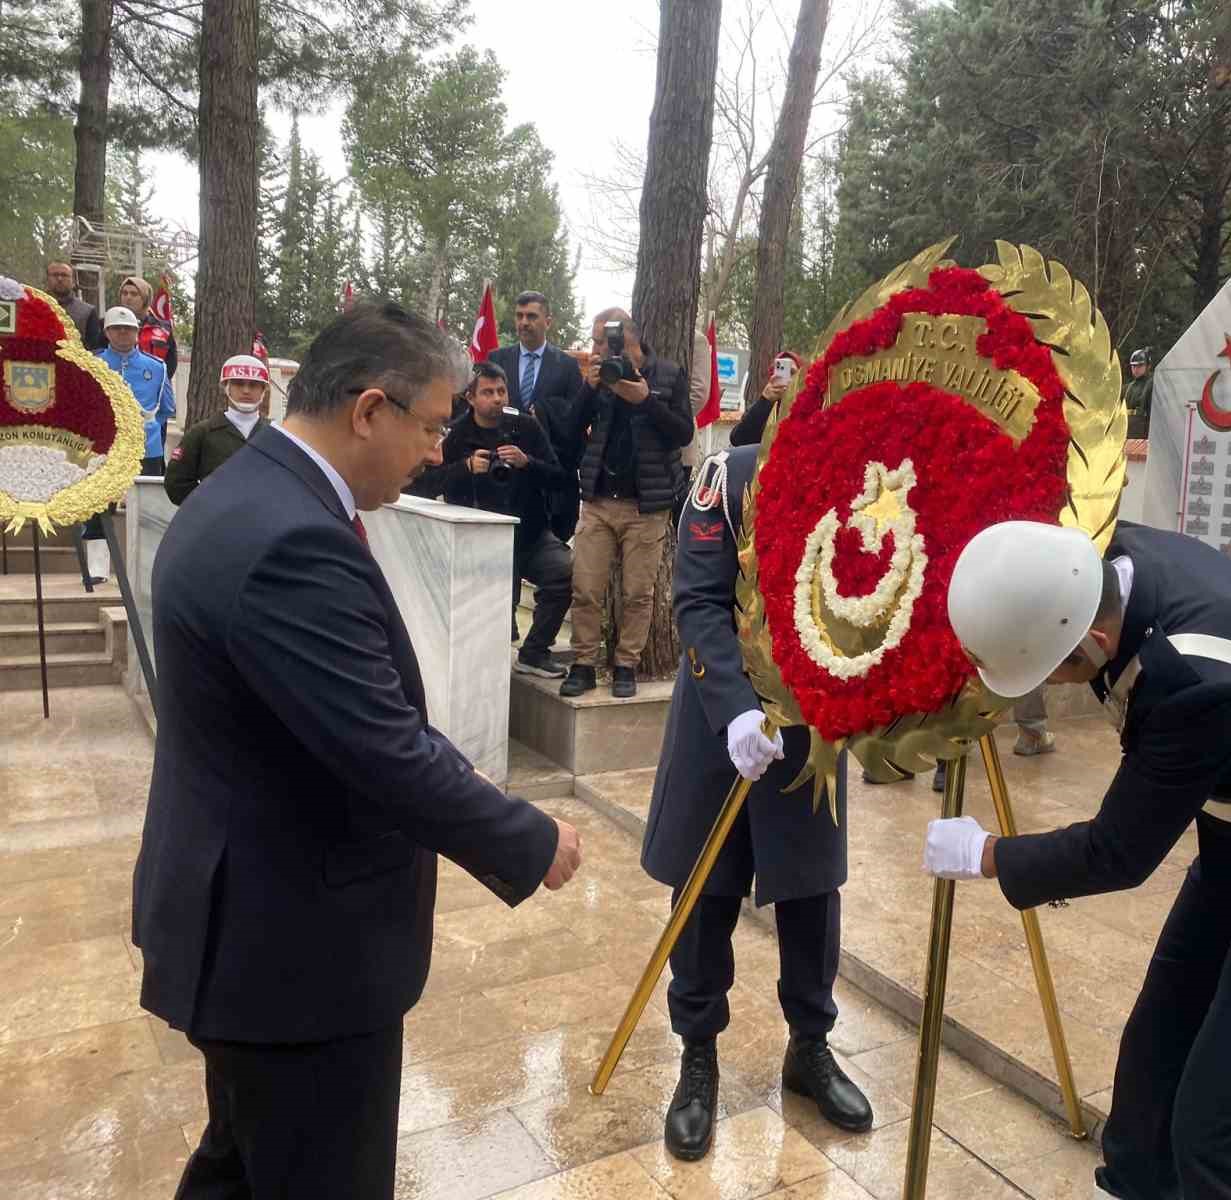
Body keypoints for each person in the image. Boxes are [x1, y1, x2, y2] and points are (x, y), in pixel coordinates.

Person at [131, 301, 584, 1199]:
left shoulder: (253, 492)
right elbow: (381, 747)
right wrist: (528, 838)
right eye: (427, 426)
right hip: (296, 954)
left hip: (251, 926)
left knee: (240, 1163)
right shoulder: (291, 538)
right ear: (369, 410)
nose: (433, 450)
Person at [925, 520, 1231, 1200]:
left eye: (1059, 672)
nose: (1064, 687)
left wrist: (985, 854)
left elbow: (1118, 851)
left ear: (1094, 641)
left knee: (1217, 1133)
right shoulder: (1105, 560)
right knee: (1145, 1089)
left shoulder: (1197, 682)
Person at [641, 445, 873, 1162]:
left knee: (811, 892)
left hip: (809, 723)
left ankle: (810, 1048)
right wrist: (737, 709)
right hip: (724, 721)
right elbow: (699, 599)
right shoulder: (728, 476)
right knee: (704, 896)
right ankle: (698, 1054)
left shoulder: (865, 478)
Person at [561, 308, 694, 699]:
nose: (595, 348)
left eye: (601, 341)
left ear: (626, 339)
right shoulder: (598, 375)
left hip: (645, 506)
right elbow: (570, 427)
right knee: (585, 588)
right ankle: (583, 664)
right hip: (599, 500)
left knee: (639, 593)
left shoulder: (667, 374)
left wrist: (645, 399)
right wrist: (589, 387)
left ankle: (626, 665)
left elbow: (683, 433)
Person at [413, 361, 573, 678]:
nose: (498, 398)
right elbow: (423, 485)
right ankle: (485, 679)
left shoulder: (526, 427)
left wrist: (528, 463)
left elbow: (560, 478)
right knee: (497, 623)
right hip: (479, 541)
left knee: (566, 573)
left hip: (529, 534)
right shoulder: (456, 434)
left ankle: (535, 652)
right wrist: (465, 468)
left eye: (502, 391)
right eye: (488, 392)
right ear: (470, 398)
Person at [488, 291, 585, 541]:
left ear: (548, 321)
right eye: (519, 316)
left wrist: (546, 410)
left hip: (547, 482)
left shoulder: (566, 366)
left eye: (531, 316)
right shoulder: (497, 359)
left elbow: (576, 420)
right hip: (502, 480)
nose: (523, 323)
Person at [164, 354, 272, 505]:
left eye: (254, 384)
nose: (246, 391)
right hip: (217, 525)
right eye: (239, 384)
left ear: (263, 390)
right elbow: (176, 483)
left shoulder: (276, 434)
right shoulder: (202, 433)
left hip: (266, 523)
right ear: (226, 387)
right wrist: (207, 506)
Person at [100, 306, 176, 477]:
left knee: (145, 502)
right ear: (107, 332)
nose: (122, 332)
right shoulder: (92, 363)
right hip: (103, 448)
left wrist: (148, 427)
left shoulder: (156, 367)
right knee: (105, 503)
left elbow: (167, 408)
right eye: (116, 328)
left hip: (147, 449)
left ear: (137, 332)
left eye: (128, 328)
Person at [117, 275, 180, 383]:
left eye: (134, 294)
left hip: (151, 389)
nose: (128, 297)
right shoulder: (108, 324)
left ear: (145, 299)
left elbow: (171, 364)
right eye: (124, 293)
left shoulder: (162, 329)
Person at [42, 260, 104, 349]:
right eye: (55, 275)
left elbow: (94, 349)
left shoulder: (87, 312)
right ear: (47, 279)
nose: (60, 279)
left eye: (64, 275)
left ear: (73, 281)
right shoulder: (33, 306)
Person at [1124, 347, 1154, 439]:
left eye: (1140, 366)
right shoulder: (1129, 387)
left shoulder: (1152, 384)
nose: (1136, 369)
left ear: (1148, 366)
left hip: (1143, 432)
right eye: (1133, 366)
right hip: (1127, 430)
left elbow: (1152, 414)